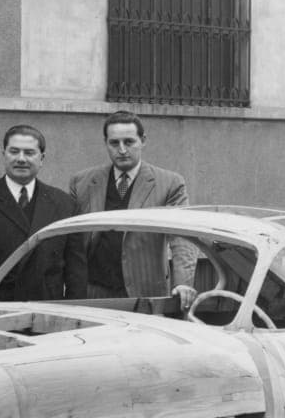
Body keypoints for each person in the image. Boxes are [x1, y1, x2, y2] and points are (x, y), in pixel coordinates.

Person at [69, 110, 197, 306]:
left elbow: (183, 239)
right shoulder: (82, 182)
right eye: (114, 143)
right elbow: (70, 240)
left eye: (129, 142)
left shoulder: (170, 183)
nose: (121, 150)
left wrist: (183, 284)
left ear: (143, 140)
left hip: (145, 292)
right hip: (92, 292)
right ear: (106, 143)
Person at [0, 125, 87, 302]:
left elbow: (76, 272)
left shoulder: (65, 205)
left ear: (42, 158)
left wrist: (73, 312)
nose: (21, 159)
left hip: (46, 312)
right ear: (3, 154)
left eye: (29, 153)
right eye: (14, 151)